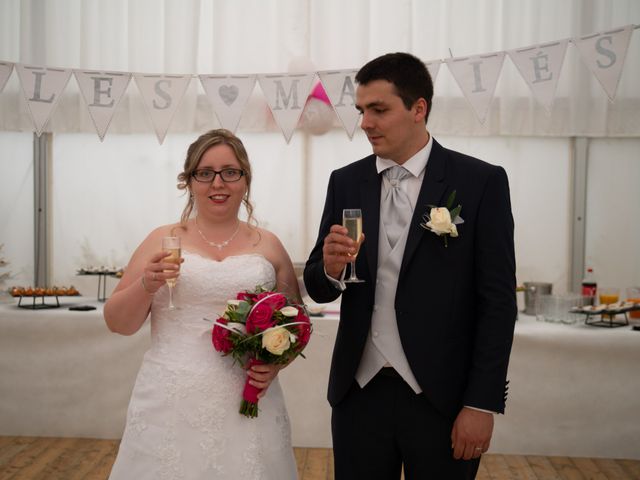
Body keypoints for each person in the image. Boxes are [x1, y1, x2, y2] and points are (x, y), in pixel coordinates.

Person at [304, 52, 517, 479]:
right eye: (362, 110)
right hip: (358, 393)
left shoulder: (479, 182)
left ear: (418, 109)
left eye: (379, 110)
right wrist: (327, 268)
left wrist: (481, 403)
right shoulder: (345, 181)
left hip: (442, 398)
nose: (365, 122)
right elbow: (318, 285)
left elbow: (497, 302)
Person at [104, 129, 300, 479]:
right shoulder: (161, 240)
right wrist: (146, 285)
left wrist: (275, 365)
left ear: (245, 180)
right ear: (189, 181)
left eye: (230, 171)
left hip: (249, 401)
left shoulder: (269, 245)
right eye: (205, 173)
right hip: (170, 398)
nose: (218, 183)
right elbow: (118, 323)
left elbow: (295, 324)